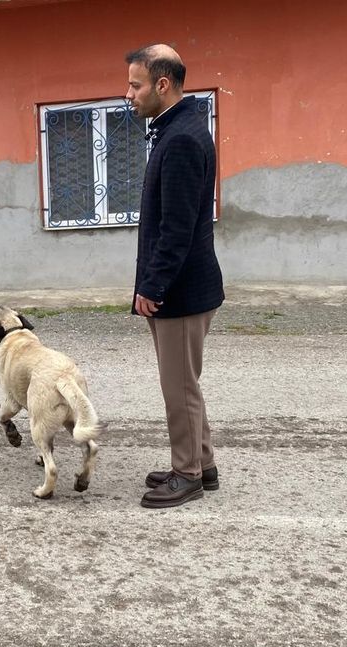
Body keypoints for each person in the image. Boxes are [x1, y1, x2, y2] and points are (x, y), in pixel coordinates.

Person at [125, 45, 225, 509]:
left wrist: (153, 285)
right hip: (182, 287)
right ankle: (202, 463)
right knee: (185, 383)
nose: (129, 94)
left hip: (180, 291)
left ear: (162, 85)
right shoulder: (178, 129)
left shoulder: (181, 138)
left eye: (136, 85)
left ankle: (187, 475)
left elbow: (178, 228)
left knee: (179, 387)